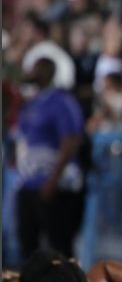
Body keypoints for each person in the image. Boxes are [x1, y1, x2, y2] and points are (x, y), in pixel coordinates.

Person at [14, 57, 85, 259]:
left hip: (56, 185)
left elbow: (70, 140)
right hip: (28, 183)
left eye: (38, 69)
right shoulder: (31, 103)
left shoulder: (62, 102)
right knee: (27, 246)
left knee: (59, 247)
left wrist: (53, 180)